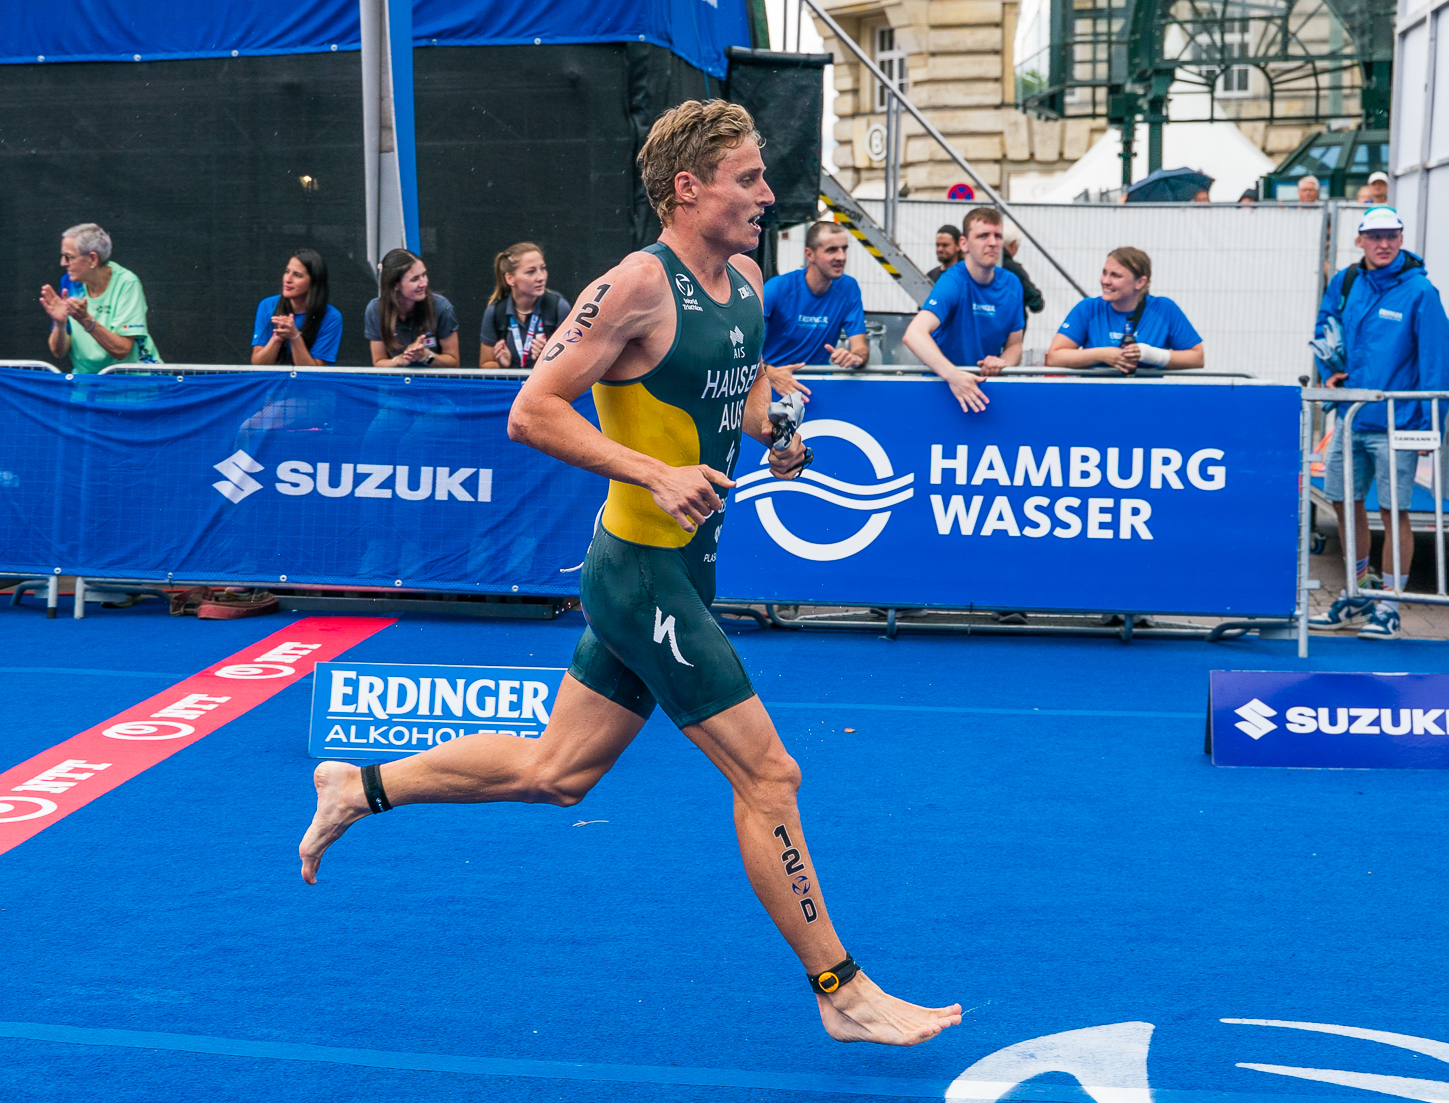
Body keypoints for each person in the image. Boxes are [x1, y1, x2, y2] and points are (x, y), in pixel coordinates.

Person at [297, 99, 962, 1047]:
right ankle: (840, 988)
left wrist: (779, 432)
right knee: (769, 773)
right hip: (640, 575)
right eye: (747, 179)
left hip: (686, 570)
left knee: (557, 771)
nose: (767, 194)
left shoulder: (743, 280)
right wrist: (654, 470)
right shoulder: (636, 286)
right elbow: (531, 410)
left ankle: (356, 787)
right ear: (688, 189)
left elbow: (742, 387)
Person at [1308, 206, 1449, 642]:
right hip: (1350, 417)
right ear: (1360, 241)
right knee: (1342, 503)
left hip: (1397, 421)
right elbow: (1326, 328)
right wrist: (1329, 371)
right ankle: (1357, 593)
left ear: (1402, 238)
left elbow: (1437, 361)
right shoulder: (1346, 281)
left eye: (1392, 235)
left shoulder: (1420, 291)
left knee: (1394, 512)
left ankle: (1389, 606)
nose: (1384, 244)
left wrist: (1430, 424)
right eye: (1375, 236)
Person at [902, 206, 1025, 413]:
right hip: (943, 390)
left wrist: (1001, 362)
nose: (993, 242)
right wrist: (953, 375)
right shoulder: (953, 281)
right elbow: (914, 334)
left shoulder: (1012, 284)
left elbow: (1015, 345)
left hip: (984, 392)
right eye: (983, 236)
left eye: (997, 236)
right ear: (964, 244)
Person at [1046, 247, 1203, 373]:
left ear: (1140, 282)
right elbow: (1054, 357)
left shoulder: (1164, 308)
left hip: (1147, 397)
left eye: (1116, 276)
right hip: (1096, 396)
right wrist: (1101, 354)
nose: (1105, 281)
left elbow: (1197, 358)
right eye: (1104, 273)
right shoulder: (1088, 308)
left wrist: (1148, 354)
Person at [760, 220, 868, 398]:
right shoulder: (778, 288)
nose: (841, 257)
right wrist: (767, 371)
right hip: (772, 383)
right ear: (809, 255)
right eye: (831, 250)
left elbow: (860, 348)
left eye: (844, 249)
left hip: (818, 387)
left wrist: (855, 358)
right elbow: (744, 343)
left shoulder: (849, 288)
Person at [38, 223, 162, 374]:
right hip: (88, 383)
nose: (63, 263)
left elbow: (122, 350)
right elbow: (58, 352)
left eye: (69, 257)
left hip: (135, 382)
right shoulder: (68, 283)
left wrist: (86, 321)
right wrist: (60, 324)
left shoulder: (127, 283)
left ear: (92, 259)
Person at [479, 242, 571, 369]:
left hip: (547, 380)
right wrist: (503, 367)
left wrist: (548, 358)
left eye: (543, 268)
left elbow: (572, 363)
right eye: (531, 272)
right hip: (510, 382)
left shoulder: (559, 307)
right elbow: (485, 364)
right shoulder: (495, 312)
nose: (541, 277)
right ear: (510, 279)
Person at [365, 249, 460, 368]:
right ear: (395, 284)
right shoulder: (375, 309)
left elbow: (454, 363)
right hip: (398, 379)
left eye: (424, 275)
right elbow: (379, 361)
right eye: (415, 279)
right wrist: (399, 361)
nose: (424, 283)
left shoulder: (441, 306)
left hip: (433, 379)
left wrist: (427, 357)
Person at [250, 250, 342, 366]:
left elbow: (316, 373)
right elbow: (258, 364)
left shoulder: (331, 317)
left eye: (297, 275)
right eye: (287, 272)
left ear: (313, 282)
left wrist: (294, 336)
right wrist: (277, 338)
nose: (288, 279)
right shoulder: (267, 305)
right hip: (275, 378)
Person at [1000, 228, 1046, 318]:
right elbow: (1035, 299)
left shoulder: (982, 265)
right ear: (1013, 244)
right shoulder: (1013, 269)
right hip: (1010, 321)